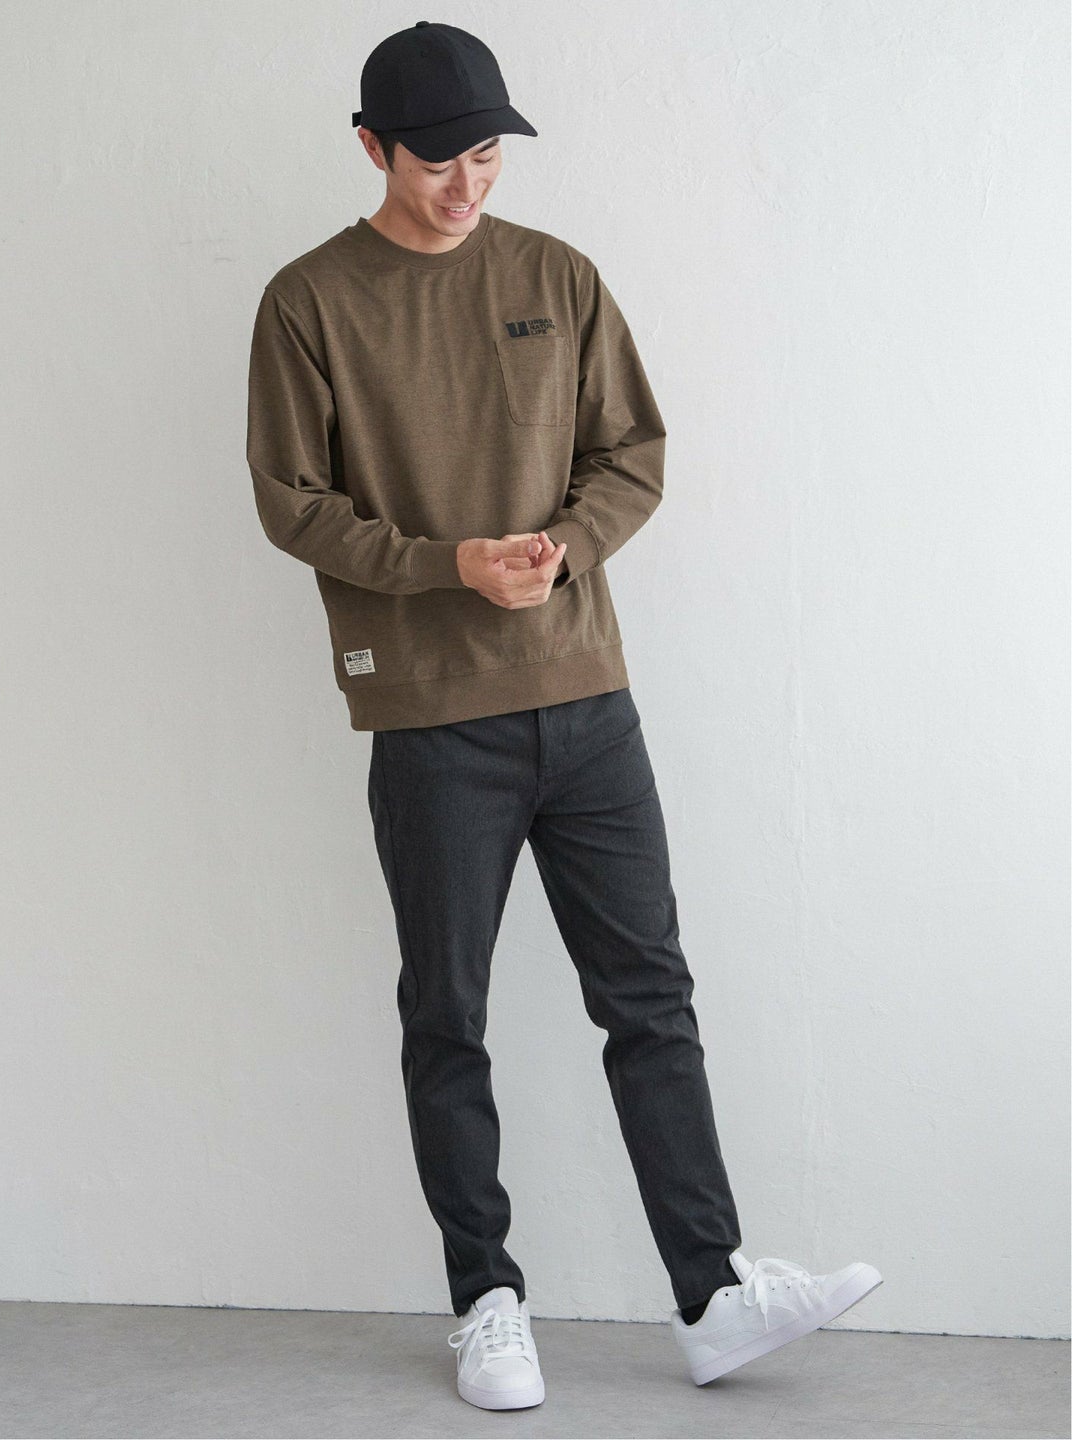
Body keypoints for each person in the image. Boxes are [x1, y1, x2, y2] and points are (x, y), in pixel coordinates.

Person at [245, 18, 883, 1410]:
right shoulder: (309, 302)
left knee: (651, 997)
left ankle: (712, 1294)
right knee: (449, 1014)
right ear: (370, 148)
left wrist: (567, 547)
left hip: (589, 698)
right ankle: (487, 1299)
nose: (465, 186)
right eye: (436, 162)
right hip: (432, 719)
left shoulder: (558, 276)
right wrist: (448, 567)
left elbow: (631, 452)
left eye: (485, 156)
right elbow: (292, 504)